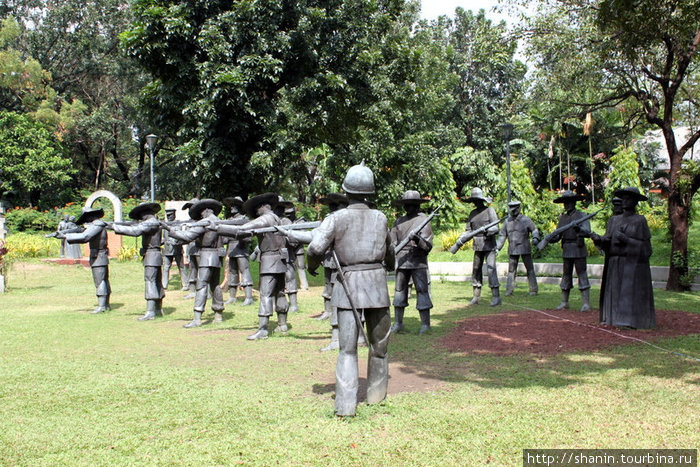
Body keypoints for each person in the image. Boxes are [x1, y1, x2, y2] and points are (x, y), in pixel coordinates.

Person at [307, 162, 394, 417]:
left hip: (348, 285)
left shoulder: (336, 218)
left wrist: (312, 266)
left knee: (347, 349)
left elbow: (314, 248)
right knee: (380, 346)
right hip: (377, 284)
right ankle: (376, 396)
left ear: (346, 191)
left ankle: (345, 405)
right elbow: (390, 253)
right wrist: (389, 264)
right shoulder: (381, 217)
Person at [280, 192, 349, 351]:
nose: (331, 208)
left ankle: (337, 339)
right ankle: (355, 336)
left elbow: (314, 242)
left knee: (339, 300)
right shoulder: (358, 218)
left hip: (343, 266)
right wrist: (288, 233)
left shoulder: (334, 220)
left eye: (334, 205)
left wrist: (311, 265)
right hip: (353, 267)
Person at [214, 193, 289, 340]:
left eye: (256, 209)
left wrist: (218, 228)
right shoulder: (276, 218)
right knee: (280, 292)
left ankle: (263, 329)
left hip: (270, 260)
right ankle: (283, 324)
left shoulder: (265, 218)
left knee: (266, 294)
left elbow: (243, 229)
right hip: (280, 259)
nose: (255, 212)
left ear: (262, 207)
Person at [592, 187, 655, 329]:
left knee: (628, 292)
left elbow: (646, 248)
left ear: (635, 202)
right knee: (613, 290)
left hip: (631, 263)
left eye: (629, 198)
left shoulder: (639, 221)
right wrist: (598, 240)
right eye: (624, 198)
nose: (625, 201)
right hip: (614, 262)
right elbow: (607, 241)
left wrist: (626, 239)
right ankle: (612, 317)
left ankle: (630, 320)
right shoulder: (613, 220)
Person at [161, 199, 225, 328]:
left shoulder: (205, 222)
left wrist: (169, 229)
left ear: (206, 210)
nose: (200, 215)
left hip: (207, 256)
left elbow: (188, 237)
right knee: (215, 285)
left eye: (201, 212)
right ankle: (218, 313)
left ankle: (197, 317)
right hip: (216, 256)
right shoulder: (218, 221)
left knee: (201, 285)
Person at [110, 202, 165, 321]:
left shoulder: (151, 223)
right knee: (156, 281)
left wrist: (114, 227)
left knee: (150, 281)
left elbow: (135, 231)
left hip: (151, 255)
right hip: (153, 255)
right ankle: (157, 309)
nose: (140, 219)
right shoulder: (155, 222)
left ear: (145, 214)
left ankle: (151, 312)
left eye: (141, 216)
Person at [389, 190, 434, 334]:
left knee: (422, 290)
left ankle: (425, 324)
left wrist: (417, 239)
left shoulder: (423, 221)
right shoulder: (399, 222)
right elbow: (392, 242)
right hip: (401, 261)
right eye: (405, 204)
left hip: (418, 261)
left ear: (416, 205)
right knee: (399, 291)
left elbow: (427, 246)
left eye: (410, 204)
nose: (407, 207)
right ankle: (398, 323)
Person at [451, 187, 501, 306]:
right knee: (476, 269)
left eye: (478, 200)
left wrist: (487, 230)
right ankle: (476, 296)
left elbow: (496, 228)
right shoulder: (472, 214)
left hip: (489, 245)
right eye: (475, 200)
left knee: (491, 269)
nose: (476, 202)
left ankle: (496, 297)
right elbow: (468, 230)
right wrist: (461, 239)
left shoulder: (490, 211)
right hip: (477, 246)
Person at [548, 190, 592, 312]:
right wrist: (549, 239)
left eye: (569, 202)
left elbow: (587, 232)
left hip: (578, 248)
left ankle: (586, 303)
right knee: (566, 275)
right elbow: (558, 235)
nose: (567, 205)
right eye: (565, 203)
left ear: (574, 203)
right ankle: (564, 302)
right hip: (566, 248)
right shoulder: (562, 218)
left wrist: (578, 229)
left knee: (582, 274)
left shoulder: (582, 216)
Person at [63, 207, 111, 313]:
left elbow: (85, 236)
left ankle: (102, 306)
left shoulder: (97, 225)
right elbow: (83, 231)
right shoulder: (97, 225)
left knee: (100, 281)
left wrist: (66, 236)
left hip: (98, 256)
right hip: (99, 255)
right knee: (103, 280)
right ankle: (105, 305)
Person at [496, 200, 541, 296]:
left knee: (530, 269)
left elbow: (534, 229)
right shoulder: (507, 222)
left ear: (519, 208)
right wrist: (497, 248)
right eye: (511, 208)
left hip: (525, 247)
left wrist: (535, 238)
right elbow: (502, 235)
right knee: (511, 270)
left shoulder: (526, 220)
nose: (513, 210)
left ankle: (533, 289)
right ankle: (509, 289)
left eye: (515, 208)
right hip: (512, 248)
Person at [221, 197, 254, 305]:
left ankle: (248, 297)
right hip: (231, 249)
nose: (232, 207)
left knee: (245, 271)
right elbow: (224, 239)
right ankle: (232, 297)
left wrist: (238, 235)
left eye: (235, 205)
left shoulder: (245, 220)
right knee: (232, 272)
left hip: (241, 248)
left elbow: (248, 237)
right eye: (231, 205)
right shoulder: (229, 221)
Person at [285, 203, 310, 290]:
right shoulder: (284, 222)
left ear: (294, 212)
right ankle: (289, 285)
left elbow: (303, 234)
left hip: (298, 247)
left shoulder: (301, 221)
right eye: (287, 213)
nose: (289, 215)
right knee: (288, 266)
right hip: (288, 247)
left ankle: (304, 285)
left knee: (301, 266)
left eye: (290, 213)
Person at [162, 208, 188, 290]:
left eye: (170, 215)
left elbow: (180, 236)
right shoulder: (164, 225)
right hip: (167, 250)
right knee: (166, 267)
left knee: (181, 267)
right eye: (167, 215)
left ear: (174, 215)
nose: (169, 217)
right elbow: (164, 238)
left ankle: (185, 284)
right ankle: (164, 285)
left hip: (177, 249)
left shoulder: (178, 224)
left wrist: (175, 242)